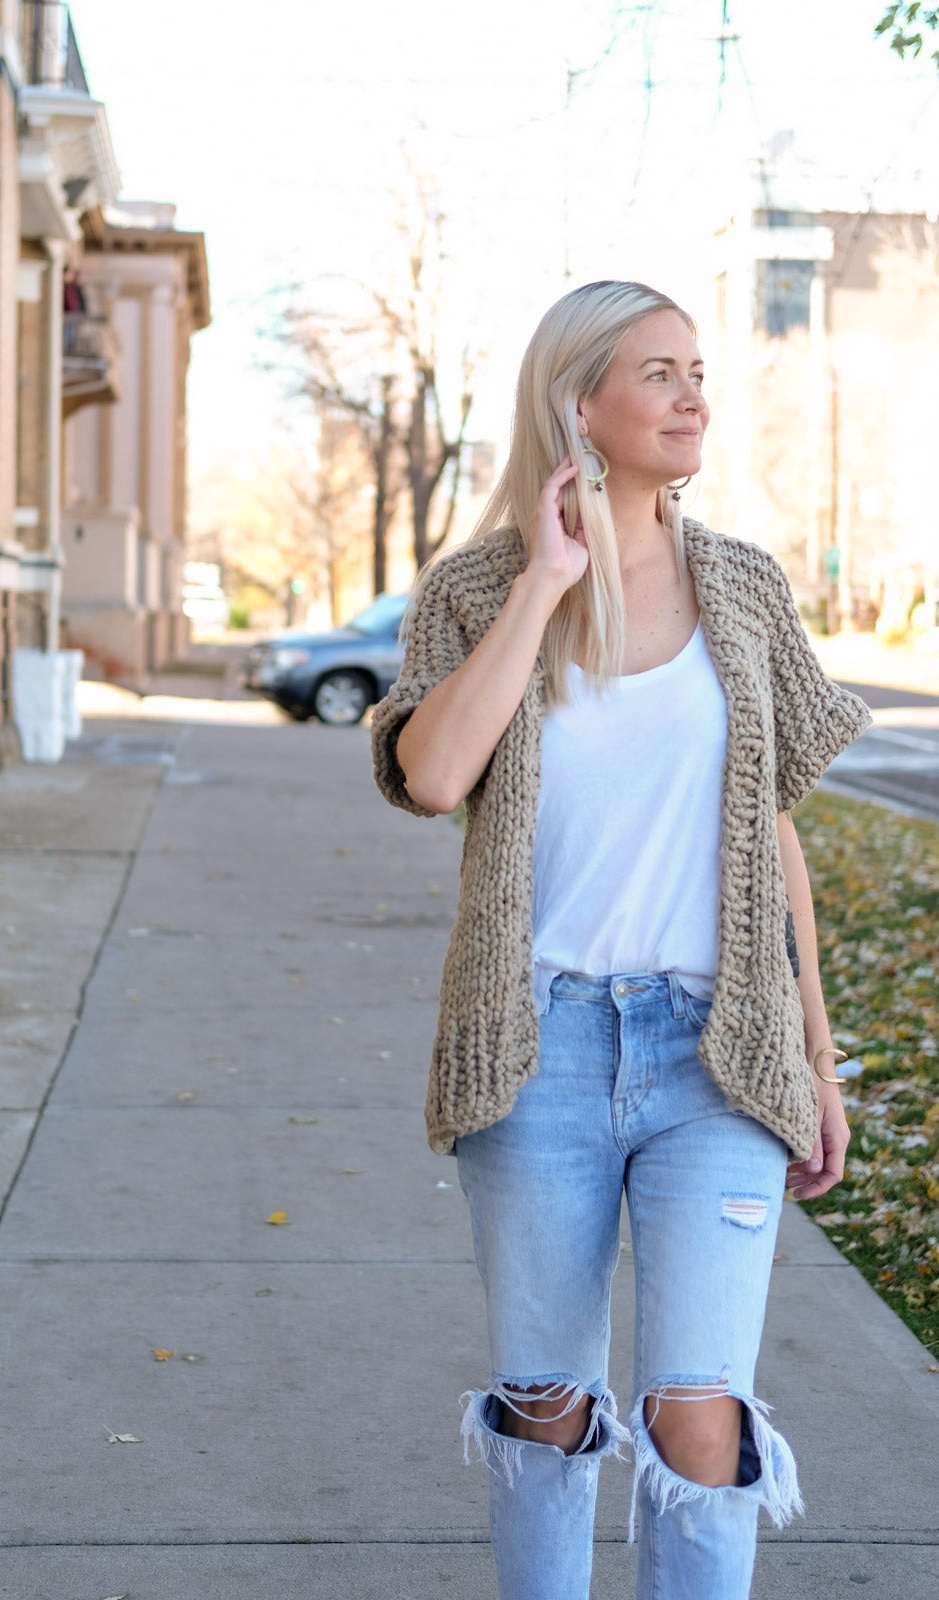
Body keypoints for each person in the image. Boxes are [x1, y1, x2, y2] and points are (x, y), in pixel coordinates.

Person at [370, 280, 871, 1600]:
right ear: (575, 401)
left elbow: (771, 837)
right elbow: (429, 778)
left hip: (718, 1048)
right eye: (656, 371)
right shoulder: (479, 589)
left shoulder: (746, 591)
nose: (692, 392)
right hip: (539, 1044)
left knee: (696, 1414)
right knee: (545, 1405)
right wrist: (545, 581)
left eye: (695, 369)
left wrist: (816, 1056)